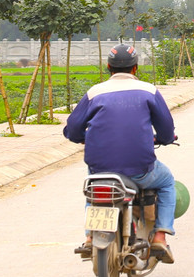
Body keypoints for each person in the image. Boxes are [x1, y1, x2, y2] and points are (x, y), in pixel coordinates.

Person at [64, 43, 178, 263]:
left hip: (101, 168)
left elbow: (74, 128)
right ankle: (161, 237)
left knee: (95, 184)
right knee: (167, 182)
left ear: (108, 67)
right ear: (135, 68)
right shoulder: (148, 91)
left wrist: (82, 137)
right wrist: (163, 139)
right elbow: (166, 129)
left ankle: (90, 237)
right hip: (140, 170)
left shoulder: (94, 92)